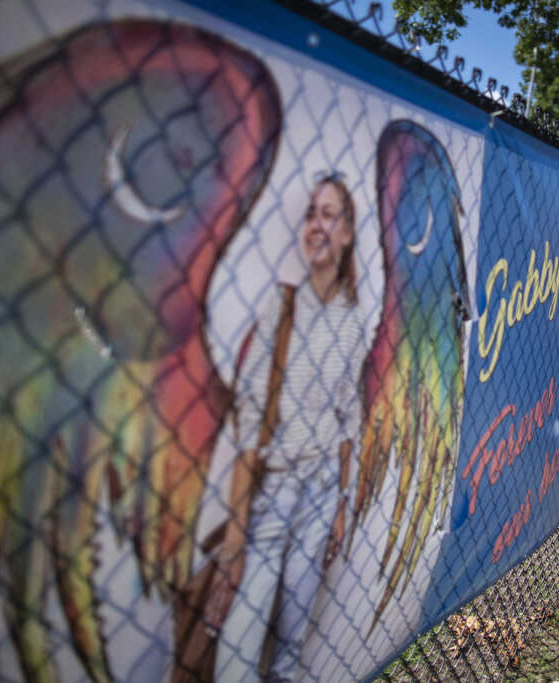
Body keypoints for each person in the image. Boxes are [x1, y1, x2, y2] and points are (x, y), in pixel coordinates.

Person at [205, 173, 366, 681]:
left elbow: (346, 422)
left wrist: (342, 503)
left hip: (321, 495)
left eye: (328, 214)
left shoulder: (353, 320)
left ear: (346, 234)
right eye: (310, 213)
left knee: (290, 651)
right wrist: (235, 538)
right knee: (235, 660)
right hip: (272, 493)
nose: (316, 224)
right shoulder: (281, 304)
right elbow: (250, 422)